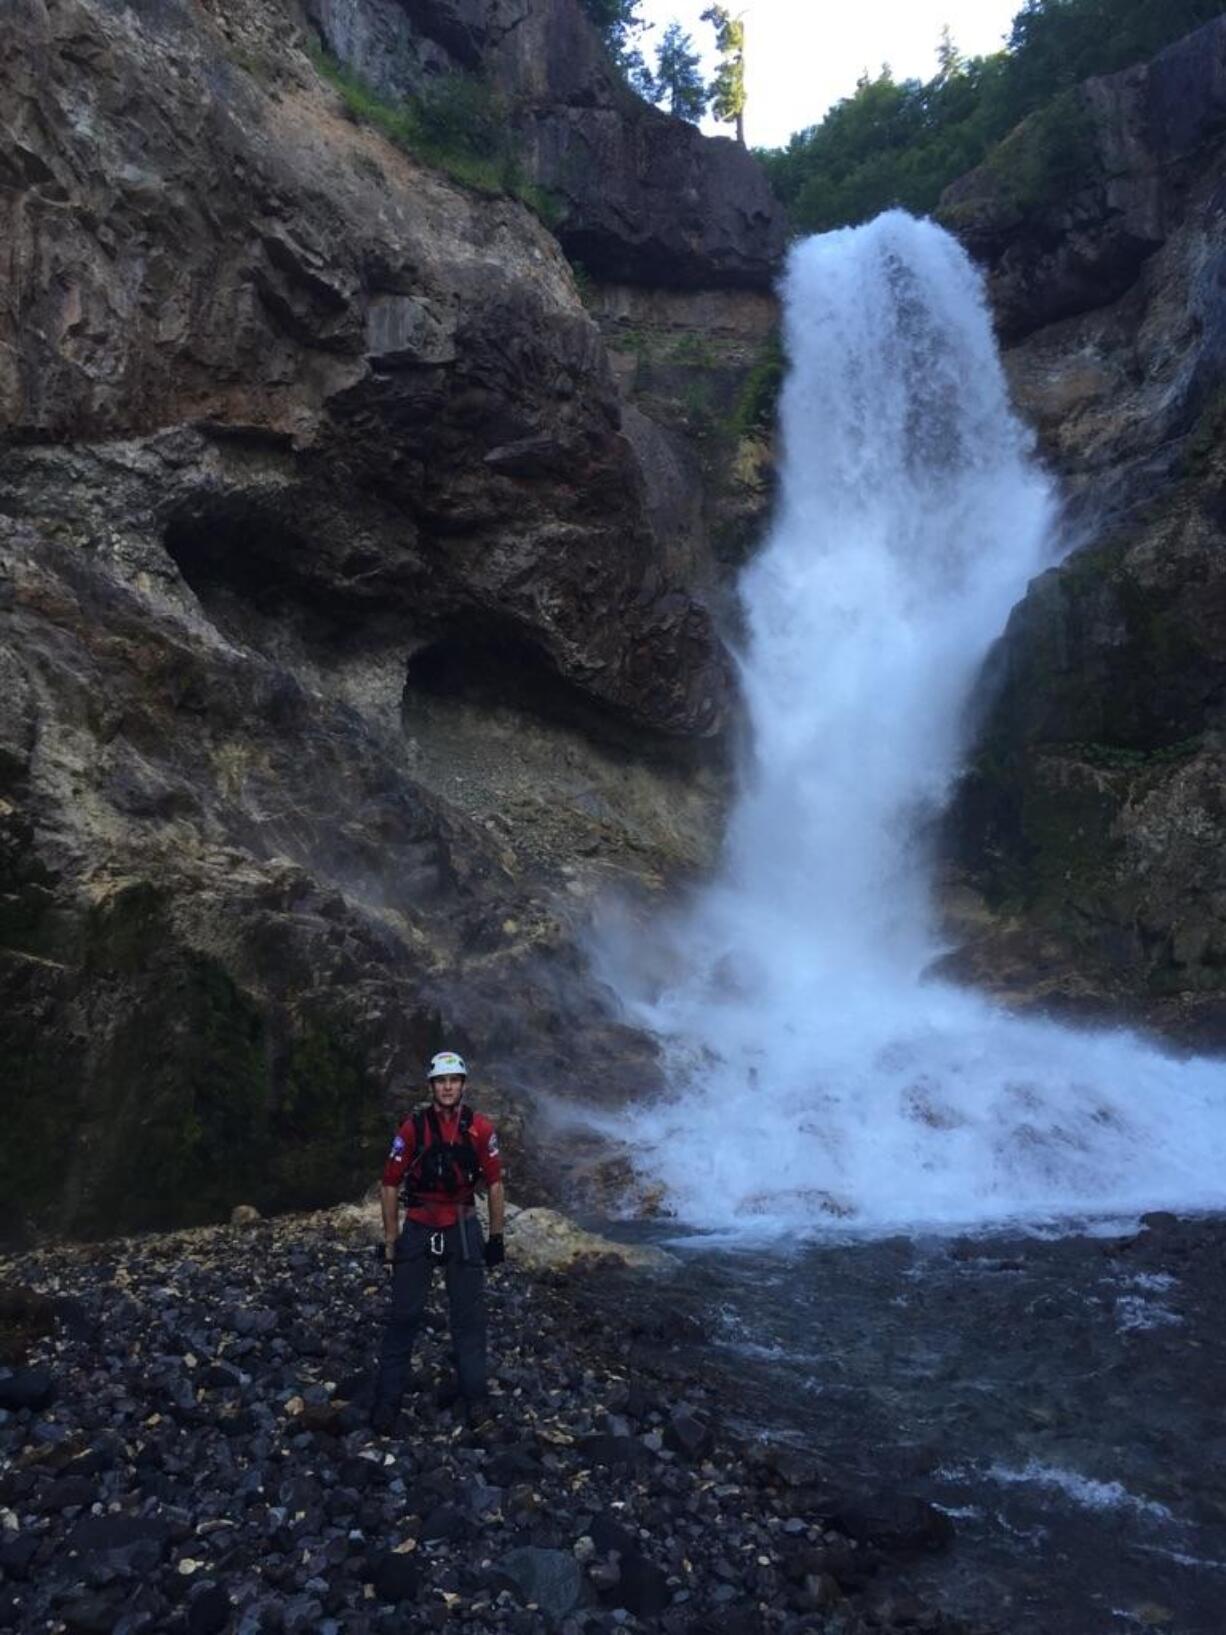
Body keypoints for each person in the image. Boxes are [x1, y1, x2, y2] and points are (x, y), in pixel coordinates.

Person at [370, 1050, 505, 1435]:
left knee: (469, 1320)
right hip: (420, 1223)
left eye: (454, 1081)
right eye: (441, 1081)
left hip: (462, 1226)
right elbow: (390, 1183)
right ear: (432, 1086)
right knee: (404, 1316)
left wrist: (496, 1238)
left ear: (463, 1085)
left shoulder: (480, 1128)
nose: (448, 1087)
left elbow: (495, 1183)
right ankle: (387, 1403)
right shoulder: (412, 1129)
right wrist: (391, 1240)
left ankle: (476, 1400)